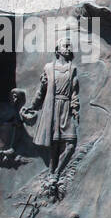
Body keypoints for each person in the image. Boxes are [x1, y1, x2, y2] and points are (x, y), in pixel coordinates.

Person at [23, 39, 79, 174]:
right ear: (57, 50)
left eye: (69, 47)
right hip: (52, 109)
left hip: (66, 108)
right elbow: (41, 91)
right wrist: (33, 106)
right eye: (65, 46)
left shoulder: (72, 69)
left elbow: (74, 92)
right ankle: (51, 174)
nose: (68, 49)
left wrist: (75, 109)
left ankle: (58, 172)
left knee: (71, 144)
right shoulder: (48, 68)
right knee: (54, 144)